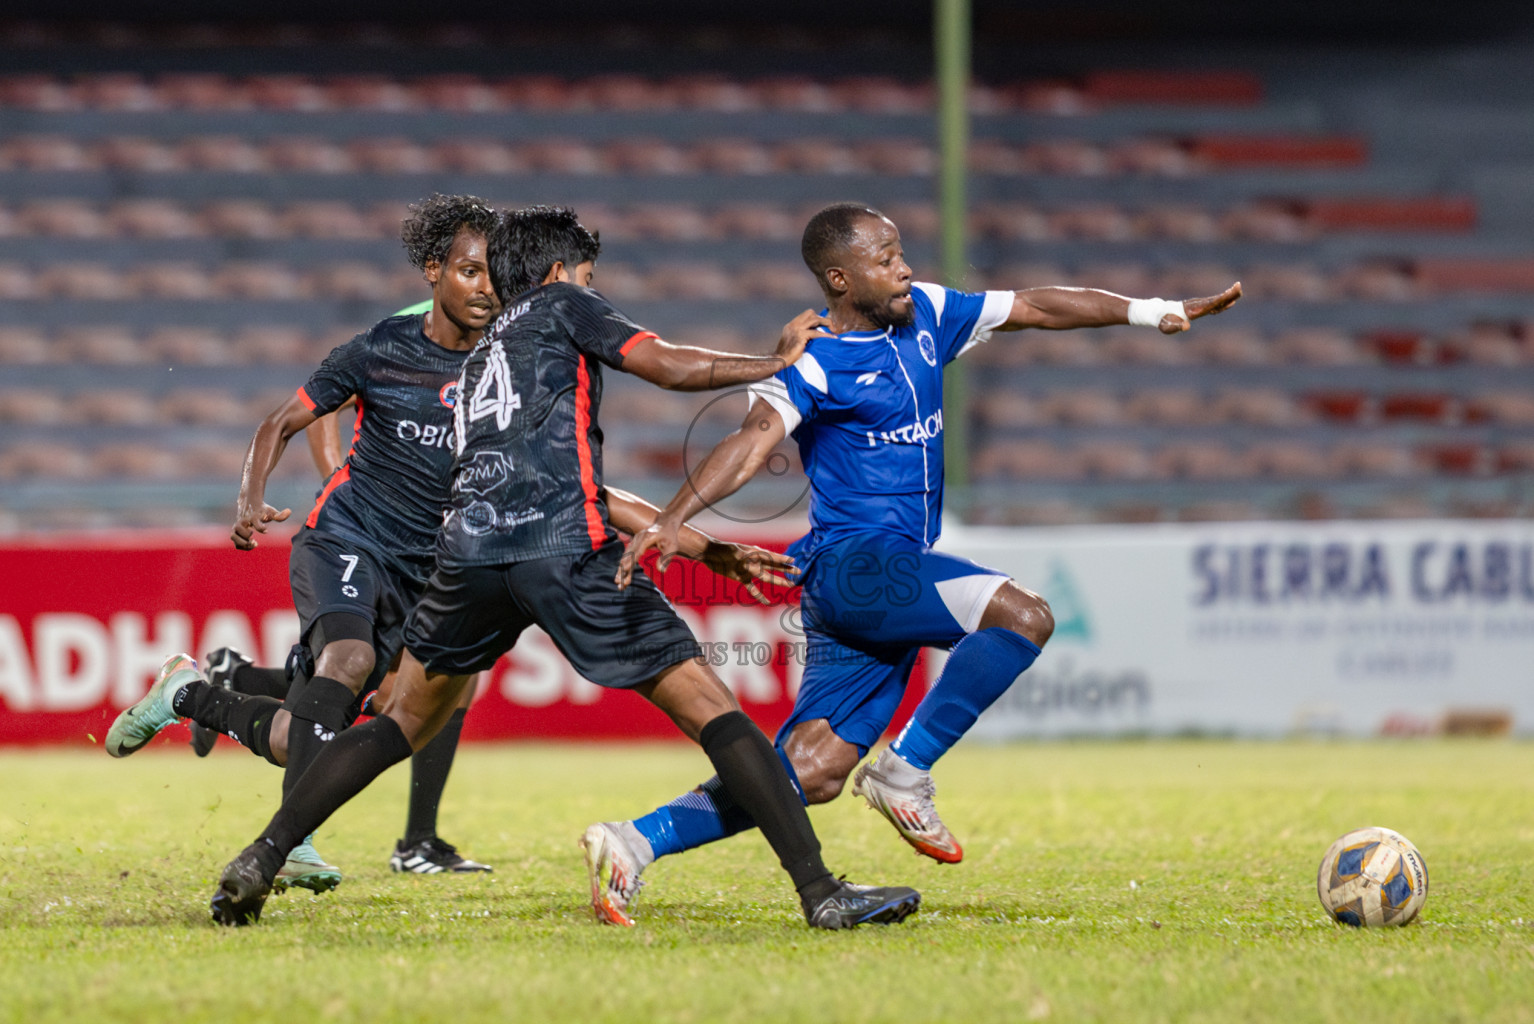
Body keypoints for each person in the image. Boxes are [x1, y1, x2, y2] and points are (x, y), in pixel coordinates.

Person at [205, 204, 922, 932]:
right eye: (587, 273)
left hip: (468, 559)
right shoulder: (562, 304)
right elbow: (666, 365)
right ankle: (821, 891)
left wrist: (703, 546)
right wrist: (779, 362)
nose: (592, 286)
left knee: (397, 722)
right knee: (713, 710)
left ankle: (264, 855)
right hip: (559, 545)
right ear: (556, 272)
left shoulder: (481, 352)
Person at [592, 201, 1242, 923]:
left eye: (901, 252)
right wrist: (675, 517)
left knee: (814, 768)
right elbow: (750, 440)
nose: (903, 267)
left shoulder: (929, 312)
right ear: (839, 278)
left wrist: (1152, 312)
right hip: (856, 570)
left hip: (873, 582)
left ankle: (632, 841)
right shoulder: (813, 361)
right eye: (884, 258)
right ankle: (904, 773)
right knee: (1023, 615)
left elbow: (1035, 307)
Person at [105, 195, 506, 889]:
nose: (487, 286)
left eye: (495, 274)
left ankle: (193, 695)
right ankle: (294, 845)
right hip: (345, 539)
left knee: (315, 732)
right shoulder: (383, 347)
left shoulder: (506, 366)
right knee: (346, 660)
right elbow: (282, 420)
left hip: (425, 569)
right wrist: (255, 498)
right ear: (433, 271)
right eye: (471, 271)